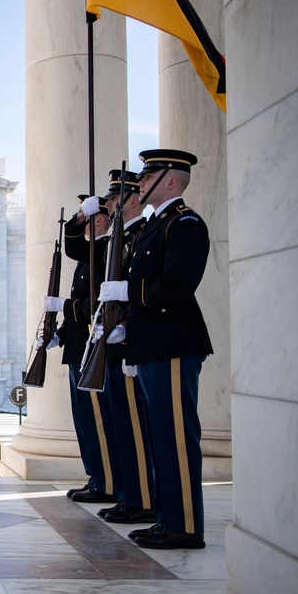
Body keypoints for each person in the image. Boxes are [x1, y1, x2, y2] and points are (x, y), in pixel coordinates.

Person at [99, 148, 213, 549]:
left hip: (173, 343)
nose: (141, 183)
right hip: (151, 345)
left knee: (177, 437)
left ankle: (184, 526)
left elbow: (176, 287)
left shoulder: (184, 224)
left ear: (170, 180)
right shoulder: (157, 225)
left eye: (148, 177)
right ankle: (168, 518)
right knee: (161, 436)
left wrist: (128, 291)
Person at [85, 170, 157, 526]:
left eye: (113, 200)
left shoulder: (141, 234)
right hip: (114, 342)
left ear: (130, 201)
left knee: (133, 427)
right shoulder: (121, 238)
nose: (108, 205)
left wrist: (127, 332)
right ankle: (132, 496)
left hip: (129, 343)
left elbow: (140, 290)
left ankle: (141, 499)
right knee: (120, 427)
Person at [39, 194, 116, 503]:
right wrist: (59, 336)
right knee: (85, 422)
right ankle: (97, 477)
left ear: (100, 220)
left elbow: (95, 306)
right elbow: (72, 243)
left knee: (97, 420)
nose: (83, 225)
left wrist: (64, 306)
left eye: (88, 218)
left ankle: (106, 480)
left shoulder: (106, 253)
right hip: (78, 349)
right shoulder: (91, 255)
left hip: (93, 350)